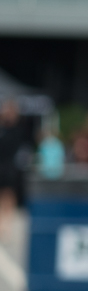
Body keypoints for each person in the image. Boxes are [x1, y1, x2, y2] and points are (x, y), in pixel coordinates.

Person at [0, 98, 31, 241]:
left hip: (10, 168)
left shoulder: (20, 131)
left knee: (9, 194)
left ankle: (6, 223)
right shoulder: (3, 130)